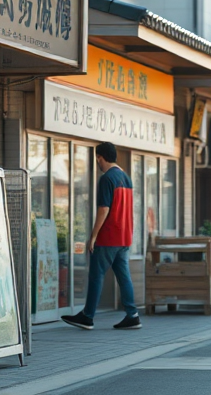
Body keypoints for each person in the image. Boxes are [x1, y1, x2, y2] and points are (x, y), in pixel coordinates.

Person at [62, 142, 142, 331]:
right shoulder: (126, 178)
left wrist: (93, 236)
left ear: (100, 157)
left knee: (96, 276)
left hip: (108, 236)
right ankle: (133, 315)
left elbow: (104, 209)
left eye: (97, 158)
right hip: (124, 237)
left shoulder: (107, 179)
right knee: (124, 277)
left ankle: (87, 317)